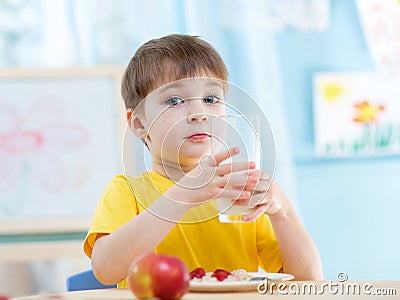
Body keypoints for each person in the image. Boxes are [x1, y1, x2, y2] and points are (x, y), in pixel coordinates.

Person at [83, 34, 323, 287]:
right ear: (140, 123)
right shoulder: (128, 192)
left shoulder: (237, 195)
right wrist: (184, 194)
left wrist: (282, 210)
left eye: (210, 99)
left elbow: (309, 282)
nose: (198, 113)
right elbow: (106, 270)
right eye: (174, 101)